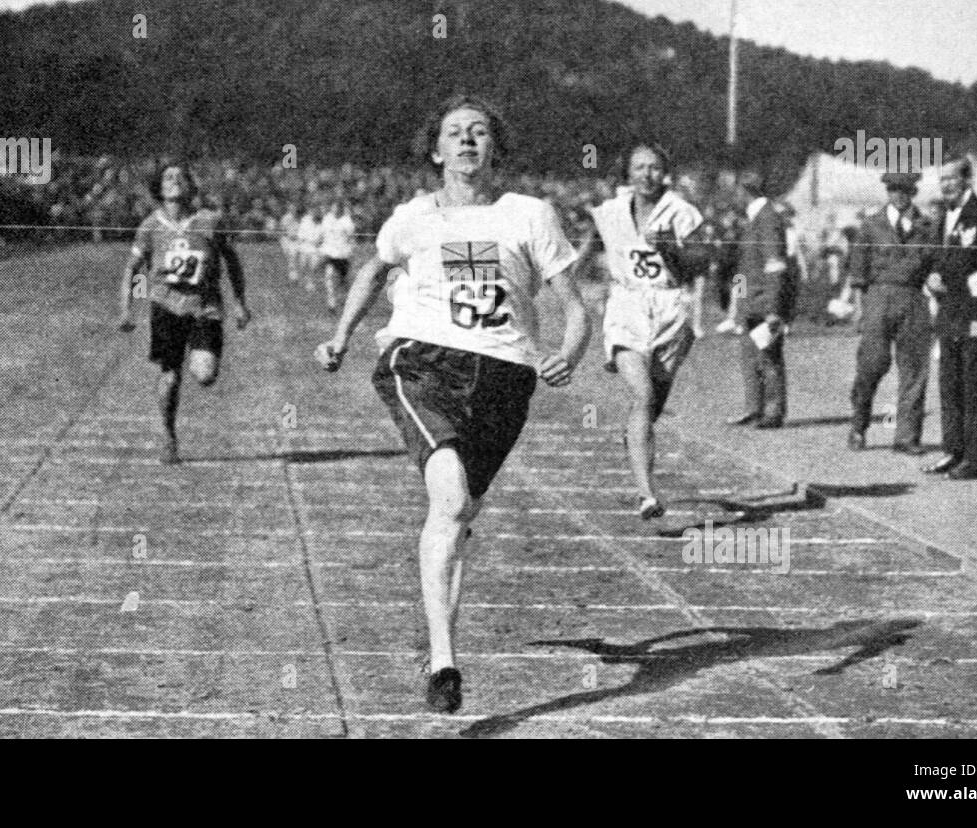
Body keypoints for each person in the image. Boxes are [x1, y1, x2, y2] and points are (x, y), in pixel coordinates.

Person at [315, 94, 590, 714]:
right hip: (423, 364)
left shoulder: (529, 215)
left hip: (506, 378)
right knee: (452, 498)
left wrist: (567, 356)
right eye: (454, 133)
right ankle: (443, 661)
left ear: (495, 147)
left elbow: (575, 307)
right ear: (435, 150)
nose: (467, 141)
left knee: (460, 517)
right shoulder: (413, 218)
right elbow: (372, 273)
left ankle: (442, 653)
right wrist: (340, 337)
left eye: (480, 132)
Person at [573, 141, 703, 519]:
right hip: (627, 305)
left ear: (665, 173)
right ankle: (647, 493)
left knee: (652, 402)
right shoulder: (611, 211)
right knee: (643, 394)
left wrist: (671, 251)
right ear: (627, 174)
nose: (647, 175)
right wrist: (566, 277)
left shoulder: (682, 212)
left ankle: (634, 436)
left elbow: (697, 266)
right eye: (640, 168)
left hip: (670, 308)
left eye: (654, 168)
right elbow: (588, 243)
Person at [118, 165, 252, 465]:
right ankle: (168, 434)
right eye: (168, 177)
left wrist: (240, 302)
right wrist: (127, 308)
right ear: (160, 189)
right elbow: (132, 269)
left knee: (204, 374)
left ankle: (197, 358)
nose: (174, 181)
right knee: (170, 378)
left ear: (191, 187)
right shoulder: (150, 226)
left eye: (181, 177)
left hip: (205, 307)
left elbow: (232, 261)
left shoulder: (210, 221)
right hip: (166, 307)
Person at [922, 156, 977, 480]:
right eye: (941, 179)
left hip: (975, 315)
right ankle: (954, 450)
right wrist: (933, 276)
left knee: (974, 388)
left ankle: (976, 458)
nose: (945, 185)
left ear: (967, 180)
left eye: (951, 179)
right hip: (950, 314)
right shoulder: (945, 216)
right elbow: (940, 260)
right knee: (950, 385)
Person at [846, 172, 935, 453]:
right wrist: (862, 312)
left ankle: (906, 438)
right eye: (893, 189)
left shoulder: (927, 226)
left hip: (913, 299)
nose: (898, 195)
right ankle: (859, 425)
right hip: (878, 299)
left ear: (913, 192)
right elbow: (858, 274)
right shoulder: (871, 226)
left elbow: (936, 264)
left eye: (904, 190)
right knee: (871, 365)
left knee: (915, 370)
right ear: (887, 192)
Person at [727, 170, 789, 429]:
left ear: (746, 191)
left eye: (735, 192)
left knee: (768, 356)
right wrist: (738, 306)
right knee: (749, 356)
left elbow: (775, 265)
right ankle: (753, 408)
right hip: (750, 300)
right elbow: (745, 268)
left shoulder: (767, 219)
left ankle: (773, 411)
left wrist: (773, 308)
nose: (733, 198)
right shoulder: (754, 219)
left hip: (763, 301)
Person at [318, 195, 357, 314]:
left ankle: (344, 301)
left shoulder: (347, 221)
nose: (335, 210)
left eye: (338, 208)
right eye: (333, 207)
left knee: (343, 282)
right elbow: (322, 236)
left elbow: (352, 239)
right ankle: (331, 304)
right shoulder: (327, 219)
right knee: (329, 277)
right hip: (330, 254)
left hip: (342, 255)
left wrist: (352, 252)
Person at [297, 203, 323, 292]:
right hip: (305, 246)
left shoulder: (322, 222)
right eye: (314, 211)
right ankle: (303, 279)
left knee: (314, 264)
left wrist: (320, 241)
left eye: (318, 211)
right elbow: (300, 236)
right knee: (303, 264)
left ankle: (310, 281)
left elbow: (323, 236)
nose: (316, 213)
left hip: (316, 248)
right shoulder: (305, 220)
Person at [279, 201, 301, 282]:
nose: (293, 210)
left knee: (295, 257)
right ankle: (293, 277)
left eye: (295, 208)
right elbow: (283, 230)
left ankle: (294, 276)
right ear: (289, 209)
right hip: (287, 241)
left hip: (296, 240)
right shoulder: (286, 218)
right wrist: (290, 236)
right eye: (292, 208)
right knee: (292, 257)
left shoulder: (298, 218)